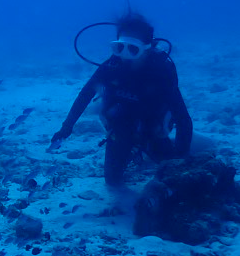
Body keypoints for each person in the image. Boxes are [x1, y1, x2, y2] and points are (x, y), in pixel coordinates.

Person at [50, 12, 192, 187]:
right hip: (120, 126)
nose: (124, 55)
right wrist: (66, 128)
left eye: (133, 49)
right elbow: (85, 94)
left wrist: (181, 158)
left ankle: (159, 146)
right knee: (112, 181)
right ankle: (133, 150)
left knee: (171, 171)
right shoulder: (111, 66)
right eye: (119, 47)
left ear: (147, 47)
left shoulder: (160, 72)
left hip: (153, 126)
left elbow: (183, 119)